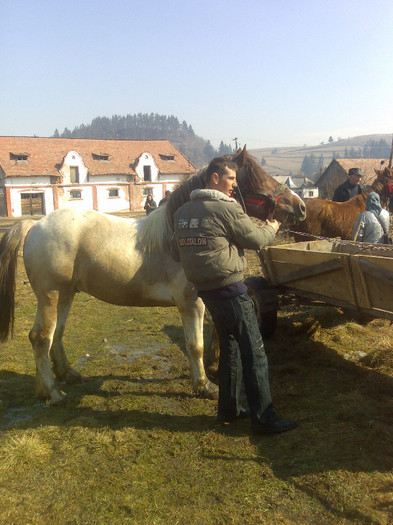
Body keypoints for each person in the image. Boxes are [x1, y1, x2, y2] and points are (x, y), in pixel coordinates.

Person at [172, 157, 297, 435]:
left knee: (230, 350)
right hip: (232, 291)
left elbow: (173, 249)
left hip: (208, 293)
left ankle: (229, 410)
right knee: (255, 353)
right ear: (214, 178)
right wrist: (273, 227)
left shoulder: (182, 212)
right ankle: (264, 417)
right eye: (230, 179)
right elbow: (256, 240)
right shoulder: (226, 209)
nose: (234, 186)